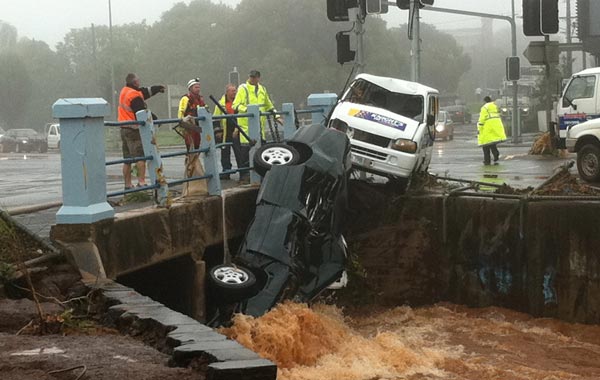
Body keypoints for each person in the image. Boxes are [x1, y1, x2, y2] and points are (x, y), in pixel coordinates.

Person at [117, 73, 165, 189]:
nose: (140, 82)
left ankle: (127, 185)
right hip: (134, 129)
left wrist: (156, 89)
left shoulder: (125, 90)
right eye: (138, 80)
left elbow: (144, 92)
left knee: (127, 159)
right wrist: (155, 119)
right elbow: (141, 111)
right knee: (140, 156)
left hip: (123, 127)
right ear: (135, 82)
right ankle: (141, 182)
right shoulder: (134, 96)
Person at [232, 69, 279, 182]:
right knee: (245, 152)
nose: (253, 79)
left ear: (258, 78)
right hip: (246, 126)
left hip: (260, 125)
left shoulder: (262, 89)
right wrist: (249, 110)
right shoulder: (243, 88)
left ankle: (259, 175)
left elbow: (268, 104)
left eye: (255, 77)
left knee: (259, 151)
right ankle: (244, 176)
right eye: (251, 77)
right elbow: (236, 105)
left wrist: (276, 116)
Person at [213, 84, 242, 180]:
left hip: (237, 130)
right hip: (225, 131)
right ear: (227, 92)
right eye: (232, 91)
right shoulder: (221, 103)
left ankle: (243, 171)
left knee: (239, 152)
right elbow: (216, 118)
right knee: (225, 152)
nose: (234, 92)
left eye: (235, 90)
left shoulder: (239, 102)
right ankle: (226, 171)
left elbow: (242, 116)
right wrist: (218, 131)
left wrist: (237, 130)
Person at [178, 78, 207, 151]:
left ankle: (194, 161)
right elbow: (181, 111)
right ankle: (190, 161)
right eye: (196, 87)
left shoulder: (200, 99)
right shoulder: (185, 98)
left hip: (198, 126)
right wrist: (181, 123)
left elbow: (205, 110)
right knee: (190, 147)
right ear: (190, 88)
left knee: (197, 146)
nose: (198, 89)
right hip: (189, 126)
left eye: (199, 87)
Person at [477, 96, 507, 165]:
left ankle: (487, 160)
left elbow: (482, 118)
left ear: (484, 101)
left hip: (487, 126)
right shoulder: (495, 106)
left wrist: (480, 127)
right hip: (496, 125)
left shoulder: (484, 108)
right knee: (492, 142)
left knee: (485, 144)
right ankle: (496, 154)